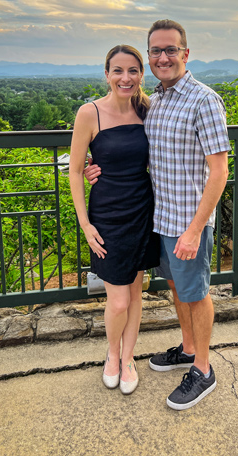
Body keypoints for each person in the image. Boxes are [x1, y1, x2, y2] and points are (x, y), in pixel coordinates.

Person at [85, 20, 230, 410]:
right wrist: (96, 166)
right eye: (156, 51)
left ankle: (203, 369)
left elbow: (219, 171)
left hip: (188, 223)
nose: (163, 57)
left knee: (196, 293)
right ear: (150, 57)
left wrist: (196, 229)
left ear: (185, 53)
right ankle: (187, 349)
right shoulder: (156, 101)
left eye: (171, 49)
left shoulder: (204, 99)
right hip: (157, 219)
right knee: (179, 289)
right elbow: (127, 148)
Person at [69, 44, 160, 396]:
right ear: (106, 74)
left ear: (142, 74)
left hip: (143, 210)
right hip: (107, 215)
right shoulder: (89, 113)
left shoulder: (148, 109)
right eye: (118, 70)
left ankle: (128, 359)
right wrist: (86, 224)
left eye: (134, 70)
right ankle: (111, 354)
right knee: (118, 300)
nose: (126, 78)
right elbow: (76, 172)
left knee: (136, 293)